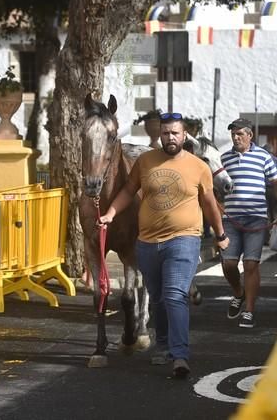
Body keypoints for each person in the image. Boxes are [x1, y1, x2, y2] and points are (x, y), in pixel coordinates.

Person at [98, 112, 229, 379]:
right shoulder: (145, 162)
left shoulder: (198, 166)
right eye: (166, 133)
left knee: (175, 295)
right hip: (148, 243)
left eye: (175, 133)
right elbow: (127, 190)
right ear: (160, 135)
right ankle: (163, 344)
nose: (170, 137)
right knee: (157, 297)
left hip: (184, 239)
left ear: (184, 136)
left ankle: (179, 355)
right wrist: (111, 212)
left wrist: (220, 233)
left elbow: (209, 203)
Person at [219, 118, 277, 329]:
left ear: (250, 136)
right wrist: (218, 206)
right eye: (233, 134)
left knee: (251, 264)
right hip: (230, 219)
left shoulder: (263, 157)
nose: (236, 137)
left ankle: (248, 311)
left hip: (256, 219)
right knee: (228, 264)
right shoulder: (224, 158)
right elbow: (214, 186)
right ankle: (238, 292)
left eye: (240, 134)